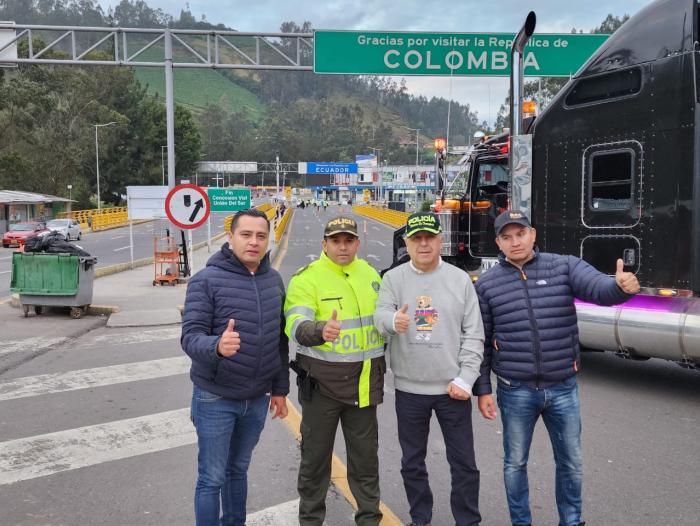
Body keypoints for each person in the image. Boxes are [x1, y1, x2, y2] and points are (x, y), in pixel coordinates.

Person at [473, 210, 640, 526]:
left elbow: (597, 288)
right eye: (507, 237)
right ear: (498, 242)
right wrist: (482, 388)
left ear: (532, 235)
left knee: (571, 463)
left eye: (520, 234)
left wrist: (618, 287)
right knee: (514, 464)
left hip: (562, 387)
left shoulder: (563, 266)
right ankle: (521, 522)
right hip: (514, 389)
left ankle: (572, 521)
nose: (515, 242)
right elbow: (481, 340)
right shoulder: (487, 285)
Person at [374, 211, 485, 526]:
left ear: (440, 240)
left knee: (464, 463)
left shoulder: (459, 279)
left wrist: (466, 379)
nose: (423, 244)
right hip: (410, 389)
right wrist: (392, 322)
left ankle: (468, 520)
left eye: (429, 238)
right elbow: (379, 316)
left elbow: (474, 333)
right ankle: (420, 518)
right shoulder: (393, 279)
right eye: (416, 239)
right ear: (407, 243)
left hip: (453, 389)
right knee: (412, 462)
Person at [181, 208, 289, 526]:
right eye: (246, 234)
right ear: (230, 238)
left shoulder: (274, 280)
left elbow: (278, 342)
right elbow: (190, 337)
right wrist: (216, 346)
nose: (253, 242)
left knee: (237, 471)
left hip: (256, 399)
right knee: (212, 478)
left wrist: (280, 390)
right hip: (216, 398)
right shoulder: (206, 281)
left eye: (260, 236)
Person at [284, 216, 386, 526]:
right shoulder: (307, 279)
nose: (342, 246)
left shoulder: (371, 275)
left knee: (366, 464)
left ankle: (369, 519)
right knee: (315, 463)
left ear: (357, 242)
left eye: (348, 240)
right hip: (322, 389)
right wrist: (318, 330)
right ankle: (311, 521)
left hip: (365, 386)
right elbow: (295, 323)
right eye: (335, 241)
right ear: (324, 244)